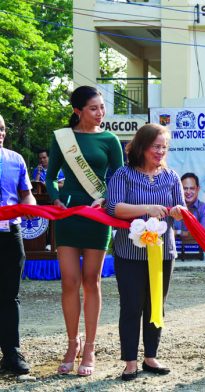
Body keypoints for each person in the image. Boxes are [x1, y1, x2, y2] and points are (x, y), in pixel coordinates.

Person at [46, 86, 124, 376]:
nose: (100, 113)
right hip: (67, 216)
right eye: (93, 108)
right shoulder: (62, 138)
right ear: (77, 111)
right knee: (69, 281)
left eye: (102, 107)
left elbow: (119, 177)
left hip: (97, 215)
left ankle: (89, 346)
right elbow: (51, 177)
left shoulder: (110, 139)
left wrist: (107, 199)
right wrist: (56, 198)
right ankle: (71, 343)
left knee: (92, 281)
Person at [106, 124, 186, 381]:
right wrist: (148, 208)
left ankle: (151, 356)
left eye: (164, 147)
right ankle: (130, 360)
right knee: (131, 306)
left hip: (162, 253)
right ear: (142, 146)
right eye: (156, 146)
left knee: (156, 306)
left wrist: (176, 211)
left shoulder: (172, 176)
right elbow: (114, 208)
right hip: (129, 253)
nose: (161, 151)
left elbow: (183, 209)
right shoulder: (123, 174)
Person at [0, 114, 36, 375]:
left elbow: (26, 193)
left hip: (10, 233)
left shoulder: (16, 160)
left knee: (10, 295)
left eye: (1, 128)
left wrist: (31, 205)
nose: (0, 133)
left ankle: (11, 352)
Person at [173, 172, 205, 238]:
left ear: (198, 189)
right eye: (185, 188)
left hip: (198, 248)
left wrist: (178, 232)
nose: (188, 192)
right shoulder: (174, 209)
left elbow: (203, 234)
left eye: (192, 188)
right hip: (174, 248)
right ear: (180, 190)